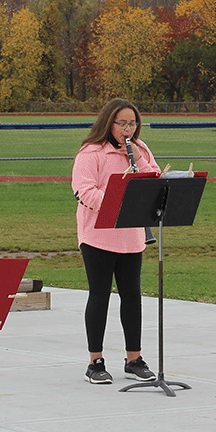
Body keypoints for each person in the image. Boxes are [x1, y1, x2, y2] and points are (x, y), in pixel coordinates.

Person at [72, 99, 161, 385]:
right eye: (122, 123)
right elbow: (84, 189)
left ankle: (133, 359)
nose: (128, 129)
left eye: (132, 123)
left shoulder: (141, 149)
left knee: (132, 296)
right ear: (108, 123)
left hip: (130, 235)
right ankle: (95, 362)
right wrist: (117, 203)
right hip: (98, 234)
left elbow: (155, 180)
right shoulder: (92, 152)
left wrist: (137, 158)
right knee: (100, 295)